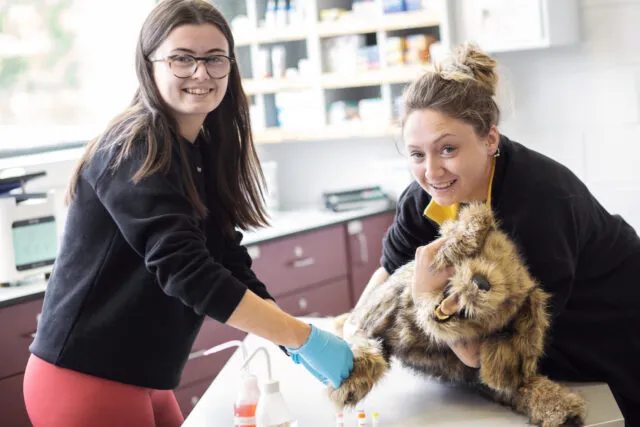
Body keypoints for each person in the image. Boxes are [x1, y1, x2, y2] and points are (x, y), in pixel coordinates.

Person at [23, 1, 352, 426]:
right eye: (182, 59)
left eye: (215, 59)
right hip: (85, 376)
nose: (201, 74)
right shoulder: (134, 148)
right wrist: (302, 337)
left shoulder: (201, 149)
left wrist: (292, 339)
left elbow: (226, 261)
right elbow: (186, 270)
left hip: (145, 375)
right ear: (149, 65)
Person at [362, 43, 640, 426]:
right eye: (416, 154)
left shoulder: (541, 204)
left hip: (611, 335)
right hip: (541, 350)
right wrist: (354, 339)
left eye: (447, 148)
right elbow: (387, 273)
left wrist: (426, 298)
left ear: (490, 139)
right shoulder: (422, 198)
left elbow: (491, 356)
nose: (432, 171)